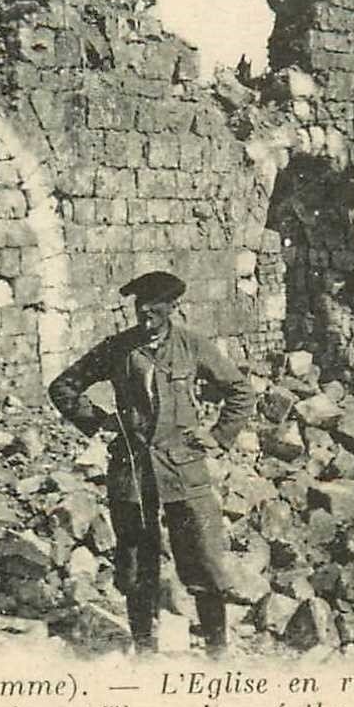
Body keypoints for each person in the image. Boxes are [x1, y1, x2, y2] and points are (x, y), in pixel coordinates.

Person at [48, 270, 255, 656]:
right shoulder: (119, 349)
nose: (146, 322)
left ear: (172, 310)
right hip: (134, 471)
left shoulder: (193, 347)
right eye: (141, 313)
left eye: (154, 314)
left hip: (184, 469)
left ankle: (217, 650)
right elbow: (63, 386)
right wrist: (100, 422)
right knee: (136, 564)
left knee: (203, 560)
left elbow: (240, 390)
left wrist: (218, 435)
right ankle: (144, 648)